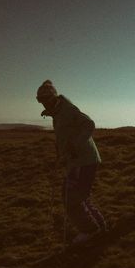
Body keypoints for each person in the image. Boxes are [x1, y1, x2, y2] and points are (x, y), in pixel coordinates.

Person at [37, 80, 107, 245]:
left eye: (46, 98)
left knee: (71, 197)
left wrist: (75, 146)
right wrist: (61, 154)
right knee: (80, 195)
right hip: (78, 161)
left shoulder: (68, 110)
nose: (44, 102)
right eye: (40, 100)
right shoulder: (58, 112)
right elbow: (65, 135)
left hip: (83, 160)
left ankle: (90, 230)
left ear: (54, 97)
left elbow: (89, 124)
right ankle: (99, 226)